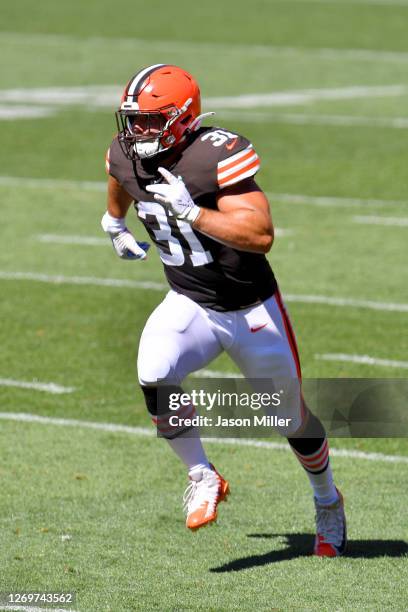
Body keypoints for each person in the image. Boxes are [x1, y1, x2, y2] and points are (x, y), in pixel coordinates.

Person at [101, 64, 347, 557]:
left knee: (289, 416)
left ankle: (327, 500)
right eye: (134, 120)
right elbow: (120, 174)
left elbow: (260, 237)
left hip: (252, 310)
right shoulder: (126, 151)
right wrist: (114, 220)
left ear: (182, 117)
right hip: (191, 301)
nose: (138, 131)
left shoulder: (215, 156)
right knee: (154, 371)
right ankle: (202, 473)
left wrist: (191, 211)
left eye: (151, 120)